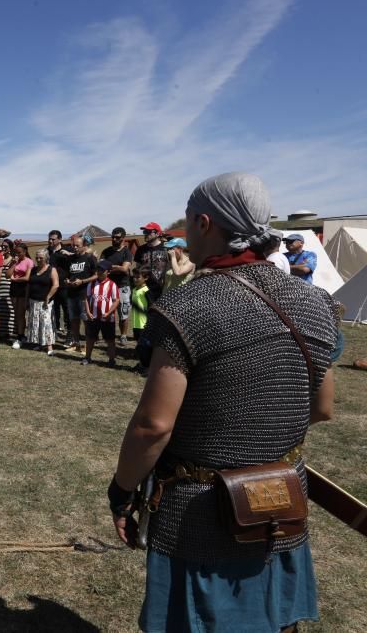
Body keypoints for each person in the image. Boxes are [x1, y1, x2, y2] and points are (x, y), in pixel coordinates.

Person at [109, 172, 338, 633]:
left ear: (205, 223)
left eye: (189, 220)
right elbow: (322, 407)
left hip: (202, 509)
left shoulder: (188, 306)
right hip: (279, 496)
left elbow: (154, 426)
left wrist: (121, 491)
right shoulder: (314, 302)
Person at [62, 234, 97, 351]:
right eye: (73, 246)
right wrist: (67, 281)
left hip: (84, 295)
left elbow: (96, 275)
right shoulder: (70, 259)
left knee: (86, 321)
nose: (75, 248)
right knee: (74, 320)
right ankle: (76, 344)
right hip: (71, 294)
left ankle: (88, 345)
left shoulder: (90, 258)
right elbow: (67, 274)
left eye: (77, 246)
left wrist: (82, 281)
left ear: (84, 246)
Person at [83, 259, 119, 367]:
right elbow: (86, 298)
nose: (99, 272)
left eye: (102, 270)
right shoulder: (92, 284)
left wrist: (109, 312)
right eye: (98, 269)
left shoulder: (112, 285)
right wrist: (88, 311)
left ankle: (111, 360)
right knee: (90, 338)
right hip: (93, 317)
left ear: (108, 272)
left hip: (107, 318)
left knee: (110, 340)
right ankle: (87, 357)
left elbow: (116, 300)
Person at [102, 227, 134, 346]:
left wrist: (110, 267)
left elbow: (125, 269)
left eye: (117, 237)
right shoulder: (106, 251)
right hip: (108, 286)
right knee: (106, 312)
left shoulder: (127, 252)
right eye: (113, 236)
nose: (114, 239)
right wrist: (117, 267)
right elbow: (101, 267)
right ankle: (107, 335)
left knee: (123, 313)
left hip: (122, 286)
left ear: (123, 238)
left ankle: (123, 335)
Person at [26, 248, 59, 355]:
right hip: (33, 301)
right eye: (37, 258)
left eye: (41, 258)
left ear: (46, 258)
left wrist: (48, 297)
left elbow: (56, 285)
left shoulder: (51, 269)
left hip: (46, 302)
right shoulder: (33, 269)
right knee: (36, 324)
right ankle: (39, 343)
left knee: (46, 323)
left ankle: (49, 346)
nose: (38, 259)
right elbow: (29, 285)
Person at [134, 222, 170, 302]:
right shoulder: (140, 249)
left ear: (157, 233)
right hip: (145, 289)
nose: (145, 234)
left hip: (163, 289)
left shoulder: (166, 247)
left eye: (148, 232)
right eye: (144, 232)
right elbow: (138, 268)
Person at [47, 230, 73, 337]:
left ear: (59, 239)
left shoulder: (67, 250)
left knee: (67, 310)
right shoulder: (47, 251)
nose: (50, 241)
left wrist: (70, 255)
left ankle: (70, 334)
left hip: (64, 286)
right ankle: (55, 331)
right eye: (49, 238)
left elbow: (79, 258)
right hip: (51, 286)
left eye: (53, 239)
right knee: (54, 310)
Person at [9, 242, 33, 349]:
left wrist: (16, 279)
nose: (17, 254)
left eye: (19, 252)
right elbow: (7, 275)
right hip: (14, 289)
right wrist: (13, 263)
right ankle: (20, 333)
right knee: (17, 313)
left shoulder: (29, 262)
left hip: (24, 289)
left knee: (21, 313)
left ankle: (21, 335)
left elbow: (27, 277)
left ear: (25, 252)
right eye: (16, 252)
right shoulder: (15, 261)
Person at [129, 268, 151, 375]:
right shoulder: (134, 290)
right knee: (139, 346)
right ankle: (142, 365)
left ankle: (147, 368)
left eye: (138, 277)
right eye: (134, 277)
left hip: (144, 324)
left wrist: (150, 321)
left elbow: (152, 306)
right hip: (136, 323)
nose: (135, 279)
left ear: (146, 278)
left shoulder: (146, 291)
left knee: (144, 347)